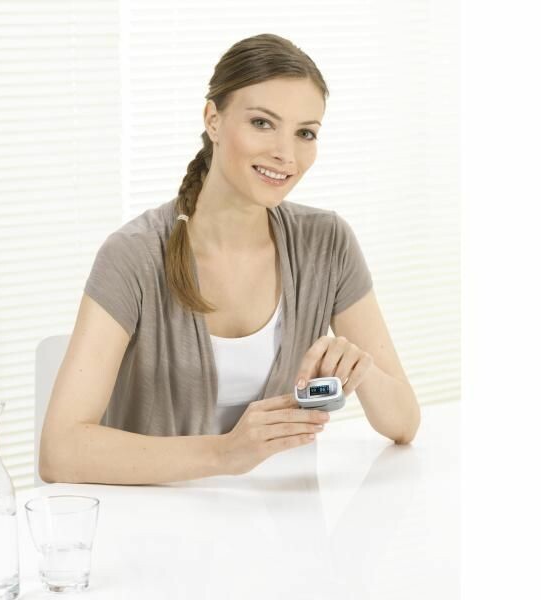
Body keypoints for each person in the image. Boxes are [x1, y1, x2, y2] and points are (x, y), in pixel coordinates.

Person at [39, 33, 420, 486]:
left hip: (284, 520)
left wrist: (360, 370)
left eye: (305, 133)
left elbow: (404, 423)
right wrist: (225, 453)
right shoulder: (134, 255)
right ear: (213, 120)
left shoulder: (327, 243)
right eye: (262, 123)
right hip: (157, 521)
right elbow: (60, 452)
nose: (286, 154)